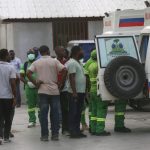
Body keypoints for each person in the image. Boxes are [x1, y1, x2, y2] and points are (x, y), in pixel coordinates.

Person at [27, 45, 67, 141]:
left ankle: (44, 136)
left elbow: (28, 73)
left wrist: (35, 82)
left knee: (43, 115)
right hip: (54, 91)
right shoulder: (54, 61)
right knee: (55, 114)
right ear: (48, 51)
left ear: (40, 53)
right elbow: (65, 69)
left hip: (42, 90)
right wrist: (60, 83)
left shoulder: (37, 62)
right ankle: (55, 135)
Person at [67, 46, 87, 138]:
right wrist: (74, 92)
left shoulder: (78, 62)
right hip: (75, 92)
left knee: (78, 112)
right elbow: (72, 77)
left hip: (80, 91)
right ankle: (73, 132)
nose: (83, 52)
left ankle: (77, 130)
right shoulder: (72, 63)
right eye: (81, 51)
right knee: (73, 112)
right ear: (77, 52)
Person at [0, 49, 16, 145]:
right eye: (8, 55)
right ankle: (6, 137)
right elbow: (13, 84)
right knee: (8, 117)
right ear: (6, 56)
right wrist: (15, 97)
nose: (10, 56)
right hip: (7, 97)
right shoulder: (11, 67)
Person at [20, 50, 39, 128]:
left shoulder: (39, 63)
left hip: (39, 87)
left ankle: (42, 120)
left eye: (32, 54)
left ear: (35, 55)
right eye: (29, 54)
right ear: (27, 55)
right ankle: (32, 121)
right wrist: (27, 83)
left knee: (41, 104)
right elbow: (21, 76)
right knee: (30, 106)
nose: (31, 55)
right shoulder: (24, 64)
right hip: (29, 88)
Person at [55, 46, 69, 135]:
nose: (64, 51)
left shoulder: (66, 61)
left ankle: (65, 129)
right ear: (56, 52)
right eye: (62, 50)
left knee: (65, 109)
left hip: (65, 89)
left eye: (64, 50)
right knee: (55, 110)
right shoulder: (53, 62)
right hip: (54, 89)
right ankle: (55, 128)